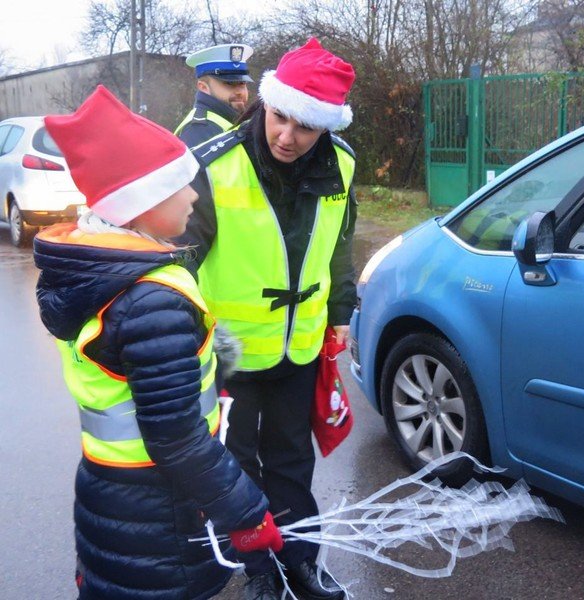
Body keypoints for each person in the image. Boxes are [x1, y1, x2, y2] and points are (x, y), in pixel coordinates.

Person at [33, 85, 285, 599]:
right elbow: (175, 439)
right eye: (182, 186)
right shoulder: (151, 299)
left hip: (114, 497)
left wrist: (208, 367)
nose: (195, 196)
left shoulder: (98, 273)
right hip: (162, 515)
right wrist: (246, 511)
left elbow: (131, 381)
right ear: (141, 205)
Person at [176, 38, 357, 600]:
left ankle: (300, 562)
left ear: (324, 128)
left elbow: (340, 246)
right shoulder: (216, 162)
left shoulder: (343, 165)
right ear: (264, 104)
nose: (287, 137)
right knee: (236, 466)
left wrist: (342, 310)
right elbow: (181, 257)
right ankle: (259, 569)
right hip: (228, 346)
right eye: (280, 118)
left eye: (305, 128)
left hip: (297, 344)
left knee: (291, 462)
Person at [175, 43, 254, 147]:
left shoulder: (231, 121)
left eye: (242, 83)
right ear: (203, 87)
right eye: (229, 83)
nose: (239, 92)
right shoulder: (199, 130)